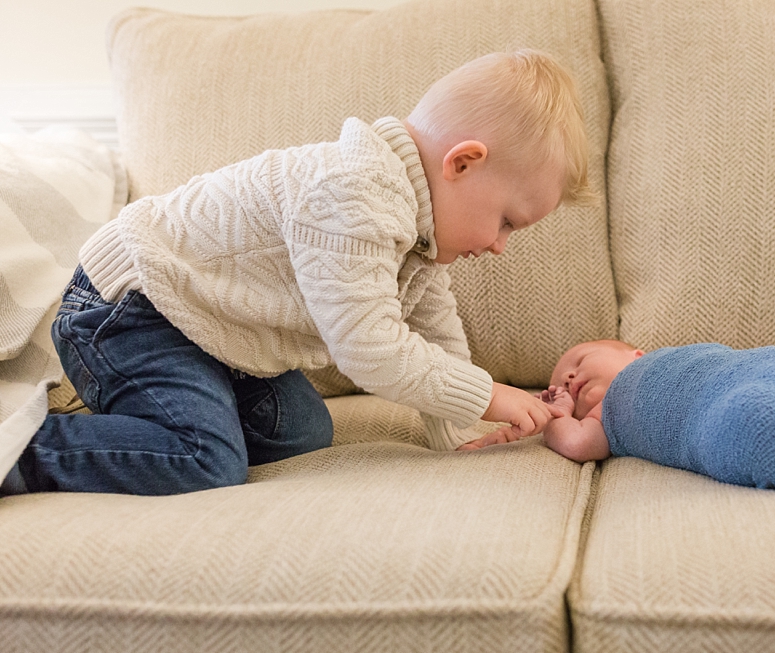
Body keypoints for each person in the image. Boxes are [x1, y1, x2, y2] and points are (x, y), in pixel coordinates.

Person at [1, 50, 591, 496]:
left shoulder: (417, 234)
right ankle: (22, 449)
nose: (500, 247)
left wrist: (462, 434)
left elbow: (435, 336)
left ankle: (153, 411)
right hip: (133, 304)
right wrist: (491, 395)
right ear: (462, 162)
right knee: (206, 460)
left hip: (209, 329)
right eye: (507, 221)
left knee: (302, 431)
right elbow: (369, 349)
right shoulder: (354, 194)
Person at [462, 334, 775, 493]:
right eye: (562, 388)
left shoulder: (664, 362)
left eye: (578, 364)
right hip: (717, 408)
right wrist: (559, 418)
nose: (567, 384)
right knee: (745, 418)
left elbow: (733, 365)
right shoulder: (609, 413)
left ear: (635, 353)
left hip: (738, 371)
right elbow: (579, 444)